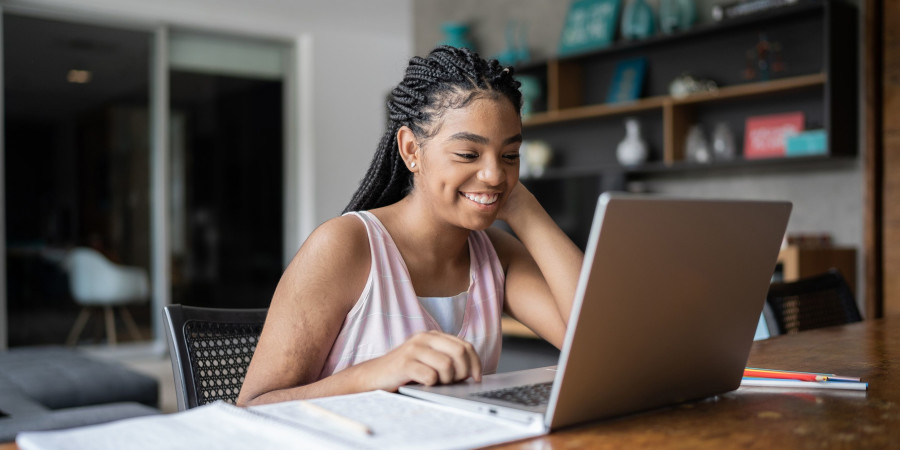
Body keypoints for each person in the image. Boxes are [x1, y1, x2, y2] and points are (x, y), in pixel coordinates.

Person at [237, 46, 583, 406]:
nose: (495, 174)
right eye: (468, 154)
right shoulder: (345, 246)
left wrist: (527, 210)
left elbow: (594, 342)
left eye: (510, 156)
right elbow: (252, 407)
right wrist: (376, 373)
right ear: (411, 150)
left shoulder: (496, 254)